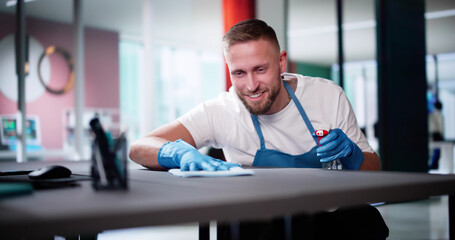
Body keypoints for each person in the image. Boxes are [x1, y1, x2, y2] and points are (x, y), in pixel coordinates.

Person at [129, 19, 387, 239]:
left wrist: (352, 154)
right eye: (238, 73)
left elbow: (373, 169)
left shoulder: (327, 95)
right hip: (261, 225)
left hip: (325, 221)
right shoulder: (222, 110)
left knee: (366, 219)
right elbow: (140, 147)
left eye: (260, 69)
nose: (251, 85)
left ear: (281, 62)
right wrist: (178, 153)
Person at [429, 100, 444, 169]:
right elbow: (441, 126)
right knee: (437, 150)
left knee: (434, 150)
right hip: (437, 135)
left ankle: (433, 165)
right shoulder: (439, 115)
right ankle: (434, 165)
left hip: (432, 134)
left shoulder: (432, 114)